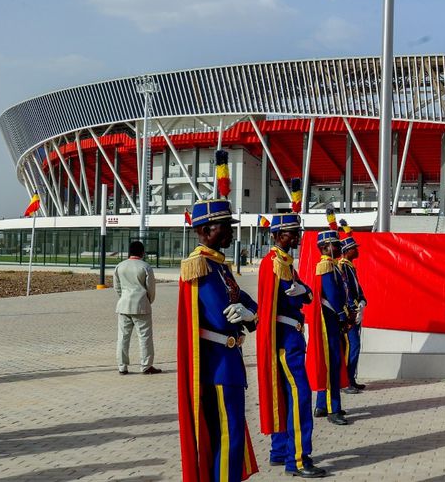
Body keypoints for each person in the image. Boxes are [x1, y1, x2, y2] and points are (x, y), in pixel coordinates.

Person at [176, 199, 259, 482]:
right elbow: (221, 315)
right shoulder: (199, 265)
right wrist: (245, 314)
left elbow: (247, 304)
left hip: (229, 362)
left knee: (231, 434)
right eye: (225, 226)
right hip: (218, 364)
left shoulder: (219, 266)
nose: (230, 232)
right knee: (228, 434)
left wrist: (249, 314)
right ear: (206, 229)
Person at [256, 214, 328, 478]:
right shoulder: (275, 263)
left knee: (285, 395)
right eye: (290, 233)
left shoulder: (282, 261)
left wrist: (305, 291)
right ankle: (297, 458)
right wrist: (305, 292)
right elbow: (297, 292)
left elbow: (305, 292)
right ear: (276, 235)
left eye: (296, 232)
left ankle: (280, 451)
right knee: (300, 396)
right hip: (286, 340)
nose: (295, 237)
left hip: (290, 337)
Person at [307, 230, 351, 425]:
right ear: (325, 248)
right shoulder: (326, 266)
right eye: (335, 244)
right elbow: (332, 295)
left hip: (331, 319)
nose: (339, 247)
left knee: (328, 362)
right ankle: (333, 408)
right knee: (332, 363)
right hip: (330, 320)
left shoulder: (332, 265)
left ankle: (321, 405)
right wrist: (343, 315)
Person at [114, 240, 160, 375]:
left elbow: (117, 287)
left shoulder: (119, 266)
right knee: (145, 337)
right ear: (142, 252)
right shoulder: (145, 267)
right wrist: (148, 301)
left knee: (123, 337)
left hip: (123, 306)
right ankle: (146, 366)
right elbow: (151, 288)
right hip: (141, 306)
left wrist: (123, 298)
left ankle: (122, 367)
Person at [339, 235, 367, 393]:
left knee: (355, 346)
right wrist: (353, 308)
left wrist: (362, 301)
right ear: (347, 251)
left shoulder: (350, 267)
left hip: (356, 311)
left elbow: (357, 289)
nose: (356, 250)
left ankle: (351, 379)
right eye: (354, 248)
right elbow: (347, 291)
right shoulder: (343, 266)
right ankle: (347, 381)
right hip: (350, 314)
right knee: (351, 346)